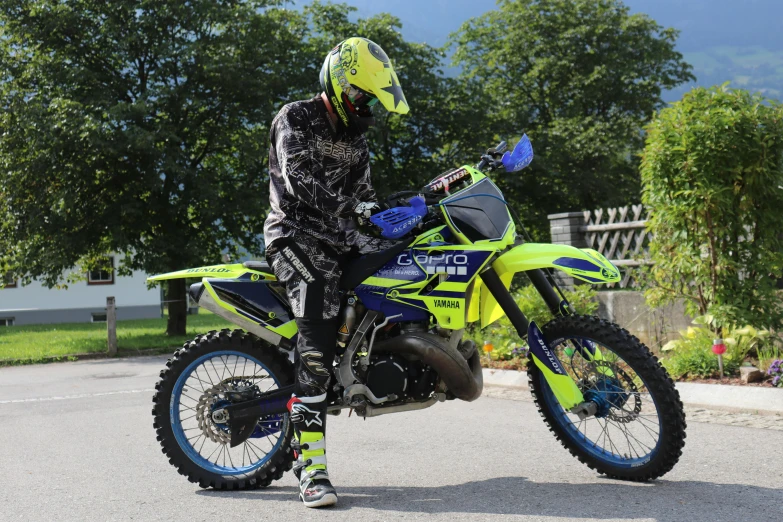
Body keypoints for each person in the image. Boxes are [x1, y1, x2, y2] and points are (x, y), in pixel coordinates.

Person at [263, 37, 409, 508]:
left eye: (371, 99)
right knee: (317, 337)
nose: (366, 106)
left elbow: (364, 196)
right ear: (338, 84)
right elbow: (300, 184)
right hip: (296, 237)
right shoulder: (295, 117)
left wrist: (392, 217)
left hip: (342, 236)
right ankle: (311, 468)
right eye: (361, 96)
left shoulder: (357, 139)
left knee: (408, 257)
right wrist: (360, 209)